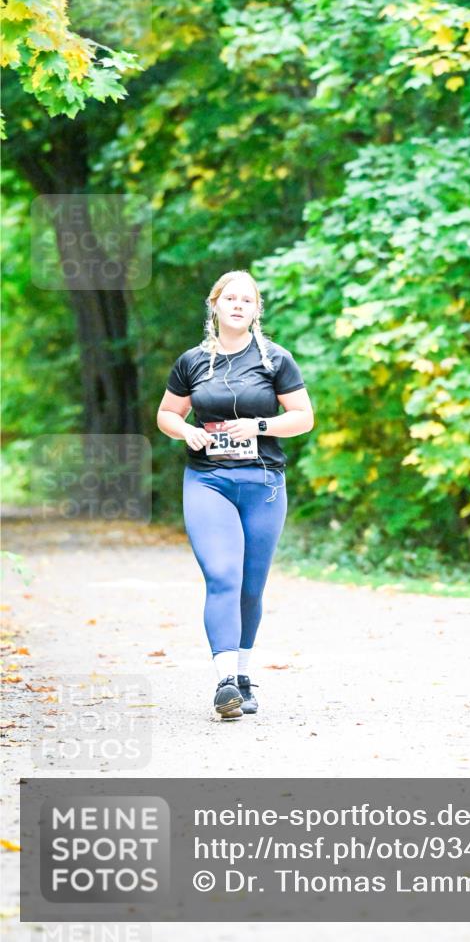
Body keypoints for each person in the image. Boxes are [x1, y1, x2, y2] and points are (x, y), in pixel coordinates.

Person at [157, 270, 314, 719]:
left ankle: (243, 676)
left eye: (248, 299)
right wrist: (186, 431)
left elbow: (303, 417)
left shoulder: (275, 360)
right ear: (215, 305)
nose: (239, 304)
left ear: (256, 309)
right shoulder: (192, 361)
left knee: (250, 585)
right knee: (222, 573)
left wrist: (260, 425)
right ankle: (224, 680)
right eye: (231, 298)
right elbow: (167, 413)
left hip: (264, 482)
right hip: (209, 480)